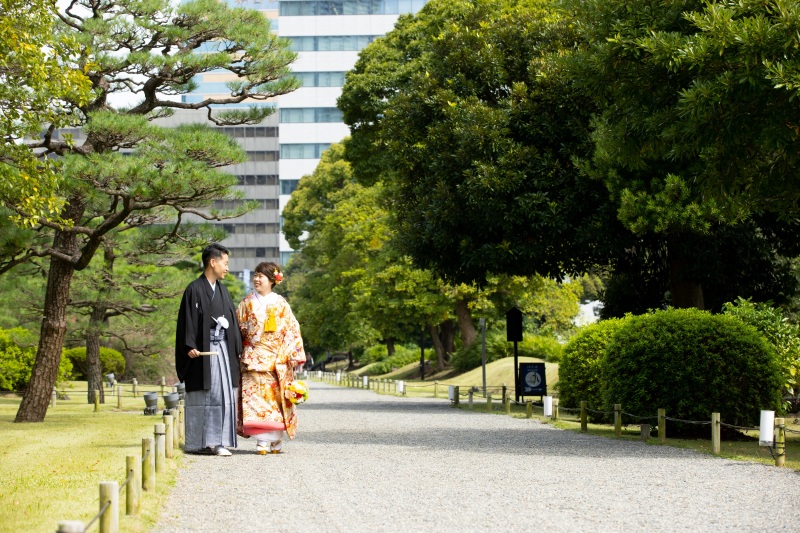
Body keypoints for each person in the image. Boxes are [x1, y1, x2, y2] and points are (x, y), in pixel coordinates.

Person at [175, 243, 242, 456]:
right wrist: (190, 346)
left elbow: (233, 321)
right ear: (212, 262)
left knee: (224, 395)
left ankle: (219, 442)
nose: (227, 268)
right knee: (205, 396)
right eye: (225, 263)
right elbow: (188, 322)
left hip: (221, 349)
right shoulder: (194, 289)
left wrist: (236, 348)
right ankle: (197, 443)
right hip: (203, 353)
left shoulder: (223, 291)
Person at [236, 261, 306, 454]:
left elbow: (292, 329)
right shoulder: (246, 302)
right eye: (256, 275)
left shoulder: (281, 303)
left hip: (276, 359)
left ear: (272, 280)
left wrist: (293, 353)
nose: (257, 279)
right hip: (252, 357)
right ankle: (263, 440)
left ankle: (274, 439)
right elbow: (238, 329)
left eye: (261, 276)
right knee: (255, 400)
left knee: (275, 401)